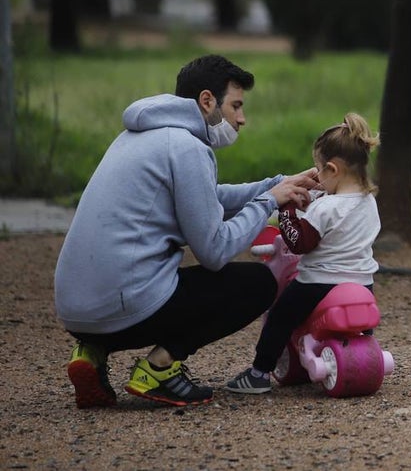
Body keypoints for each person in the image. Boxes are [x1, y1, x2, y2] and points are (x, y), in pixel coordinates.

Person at [54, 55, 319, 408]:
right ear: (207, 101)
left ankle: (91, 352)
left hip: (77, 311)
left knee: (149, 284)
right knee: (258, 283)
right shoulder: (187, 148)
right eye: (236, 106)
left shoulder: (139, 137)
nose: (242, 119)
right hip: (122, 309)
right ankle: (159, 370)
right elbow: (214, 251)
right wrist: (268, 202)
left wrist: (275, 185)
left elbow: (206, 199)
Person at [225, 112, 381, 395]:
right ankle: (361, 346)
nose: (317, 174)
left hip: (319, 282)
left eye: (319, 169)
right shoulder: (368, 202)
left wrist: (286, 209)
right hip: (362, 282)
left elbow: (299, 243)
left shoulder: (326, 208)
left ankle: (259, 372)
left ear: (333, 170)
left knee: (280, 317)